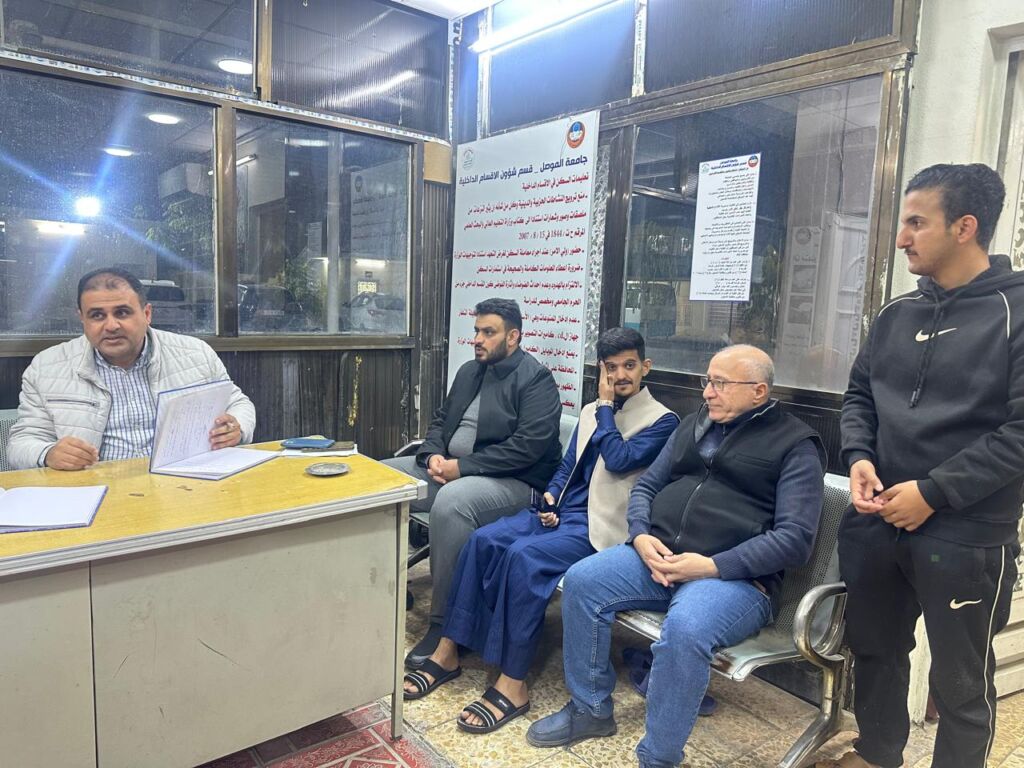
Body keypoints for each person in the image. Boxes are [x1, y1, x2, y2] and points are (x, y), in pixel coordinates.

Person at [528, 345, 826, 768]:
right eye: (707, 380)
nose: (707, 392)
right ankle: (590, 708)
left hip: (735, 580)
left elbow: (794, 539)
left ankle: (658, 758)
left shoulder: (795, 446)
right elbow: (646, 487)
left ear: (758, 391)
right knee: (582, 581)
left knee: (686, 629)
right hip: (661, 556)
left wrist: (713, 566)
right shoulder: (694, 425)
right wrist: (640, 536)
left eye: (720, 383)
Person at [820, 163, 1023, 768]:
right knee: (875, 651)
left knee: (961, 682)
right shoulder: (896, 313)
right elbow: (860, 395)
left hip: (965, 532)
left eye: (916, 223)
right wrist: (859, 456)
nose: (902, 238)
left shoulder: (1015, 311)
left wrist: (933, 492)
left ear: (965, 227)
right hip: (878, 518)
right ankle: (878, 753)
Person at [401, 328, 679, 734]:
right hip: (563, 512)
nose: (620, 375)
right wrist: (550, 496)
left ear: (645, 367)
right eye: (611, 367)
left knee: (524, 558)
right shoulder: (591, 411)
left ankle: (513, 682)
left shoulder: (662, 420)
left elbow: (619, 458)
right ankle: (448, 650)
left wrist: (604, 407)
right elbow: (568, 465)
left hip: (602, 525)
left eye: (629, 366)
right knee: (483, 541)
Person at [383, 297, 563, 668]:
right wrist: (432, 456)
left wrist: (462, 468)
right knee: (379, 480)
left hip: (516, 482)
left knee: (453, 503)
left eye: (488, 332)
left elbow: (527, 447)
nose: (477, 339)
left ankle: (446, 626)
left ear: (512, 337)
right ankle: (384, 588)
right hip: (454, 470)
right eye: (477, 331)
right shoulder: (469, 372)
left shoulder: (536, 379)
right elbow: (440, 421)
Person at [8, 267, 254, 470]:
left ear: (147, 314)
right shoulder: (47, 367)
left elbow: (238, 403)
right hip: (93, 489)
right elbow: (21, 442)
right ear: (82, 318)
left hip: (184, 482)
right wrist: (48, 453)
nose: (111, 325)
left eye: (122, 312)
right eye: (97, 315)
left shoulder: (195, 353)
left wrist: (236, 427)